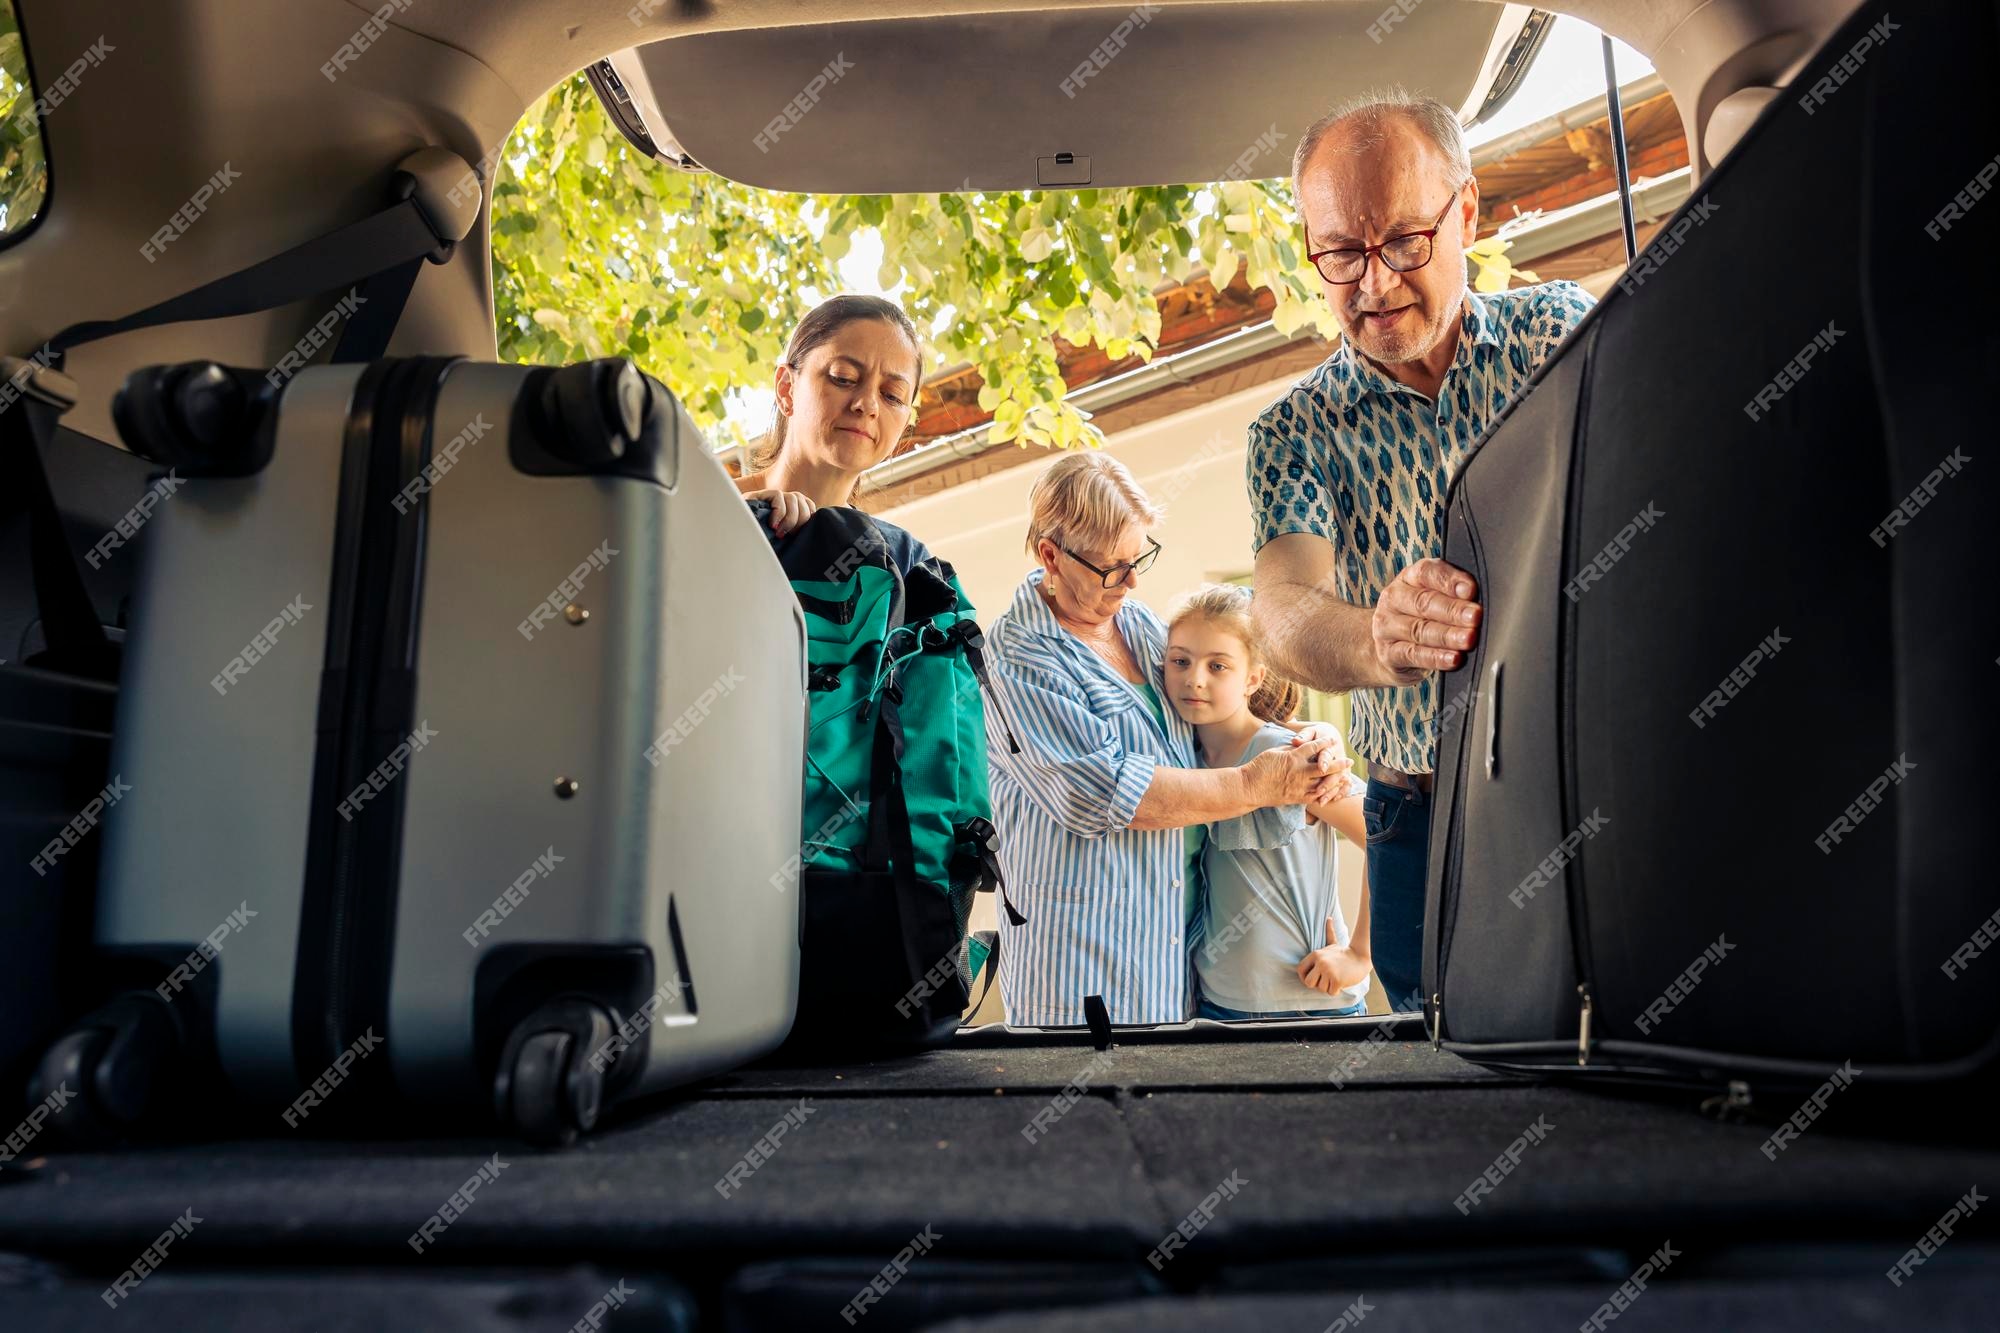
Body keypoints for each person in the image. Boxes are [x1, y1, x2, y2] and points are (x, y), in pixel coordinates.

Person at [1246, 90, 1595, 1008]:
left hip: (1575, 785)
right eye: (1340, 253)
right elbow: (1282, 609)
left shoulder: (1558, 340)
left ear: (1468, 212)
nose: (1373, 283)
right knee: (1433, 1076)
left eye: (1403, 241)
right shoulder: (1294, 430)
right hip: (1413, 814)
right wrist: (1378, 638)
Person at [981, 452, 1353, 1027]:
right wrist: (1254, 784)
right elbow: (1101, 794)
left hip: (1175, 966)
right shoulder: (1019, 656)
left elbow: (1218, 707)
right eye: (1111, 568)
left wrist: (1305, 733)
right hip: (1081, 969)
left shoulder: (1138, 624)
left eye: (1139, 560)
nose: (1130, 581)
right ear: (1050, 555)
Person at [1165, 584, 1373, 1020]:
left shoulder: (1296, 755)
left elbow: (1387, 842)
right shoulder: (1181, 759)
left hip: (1312, 1003)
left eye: (1218, 665)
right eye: (1181, 661)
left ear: (1253, 678)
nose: (1194, 678)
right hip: (1218, 1005)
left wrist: (1361, 953)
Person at [734, 293, 933, 572]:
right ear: (786, 388)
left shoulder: (905, 564)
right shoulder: (700, 506)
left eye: (892, 396)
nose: (868, 405)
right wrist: (728, 526)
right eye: (843, 378)